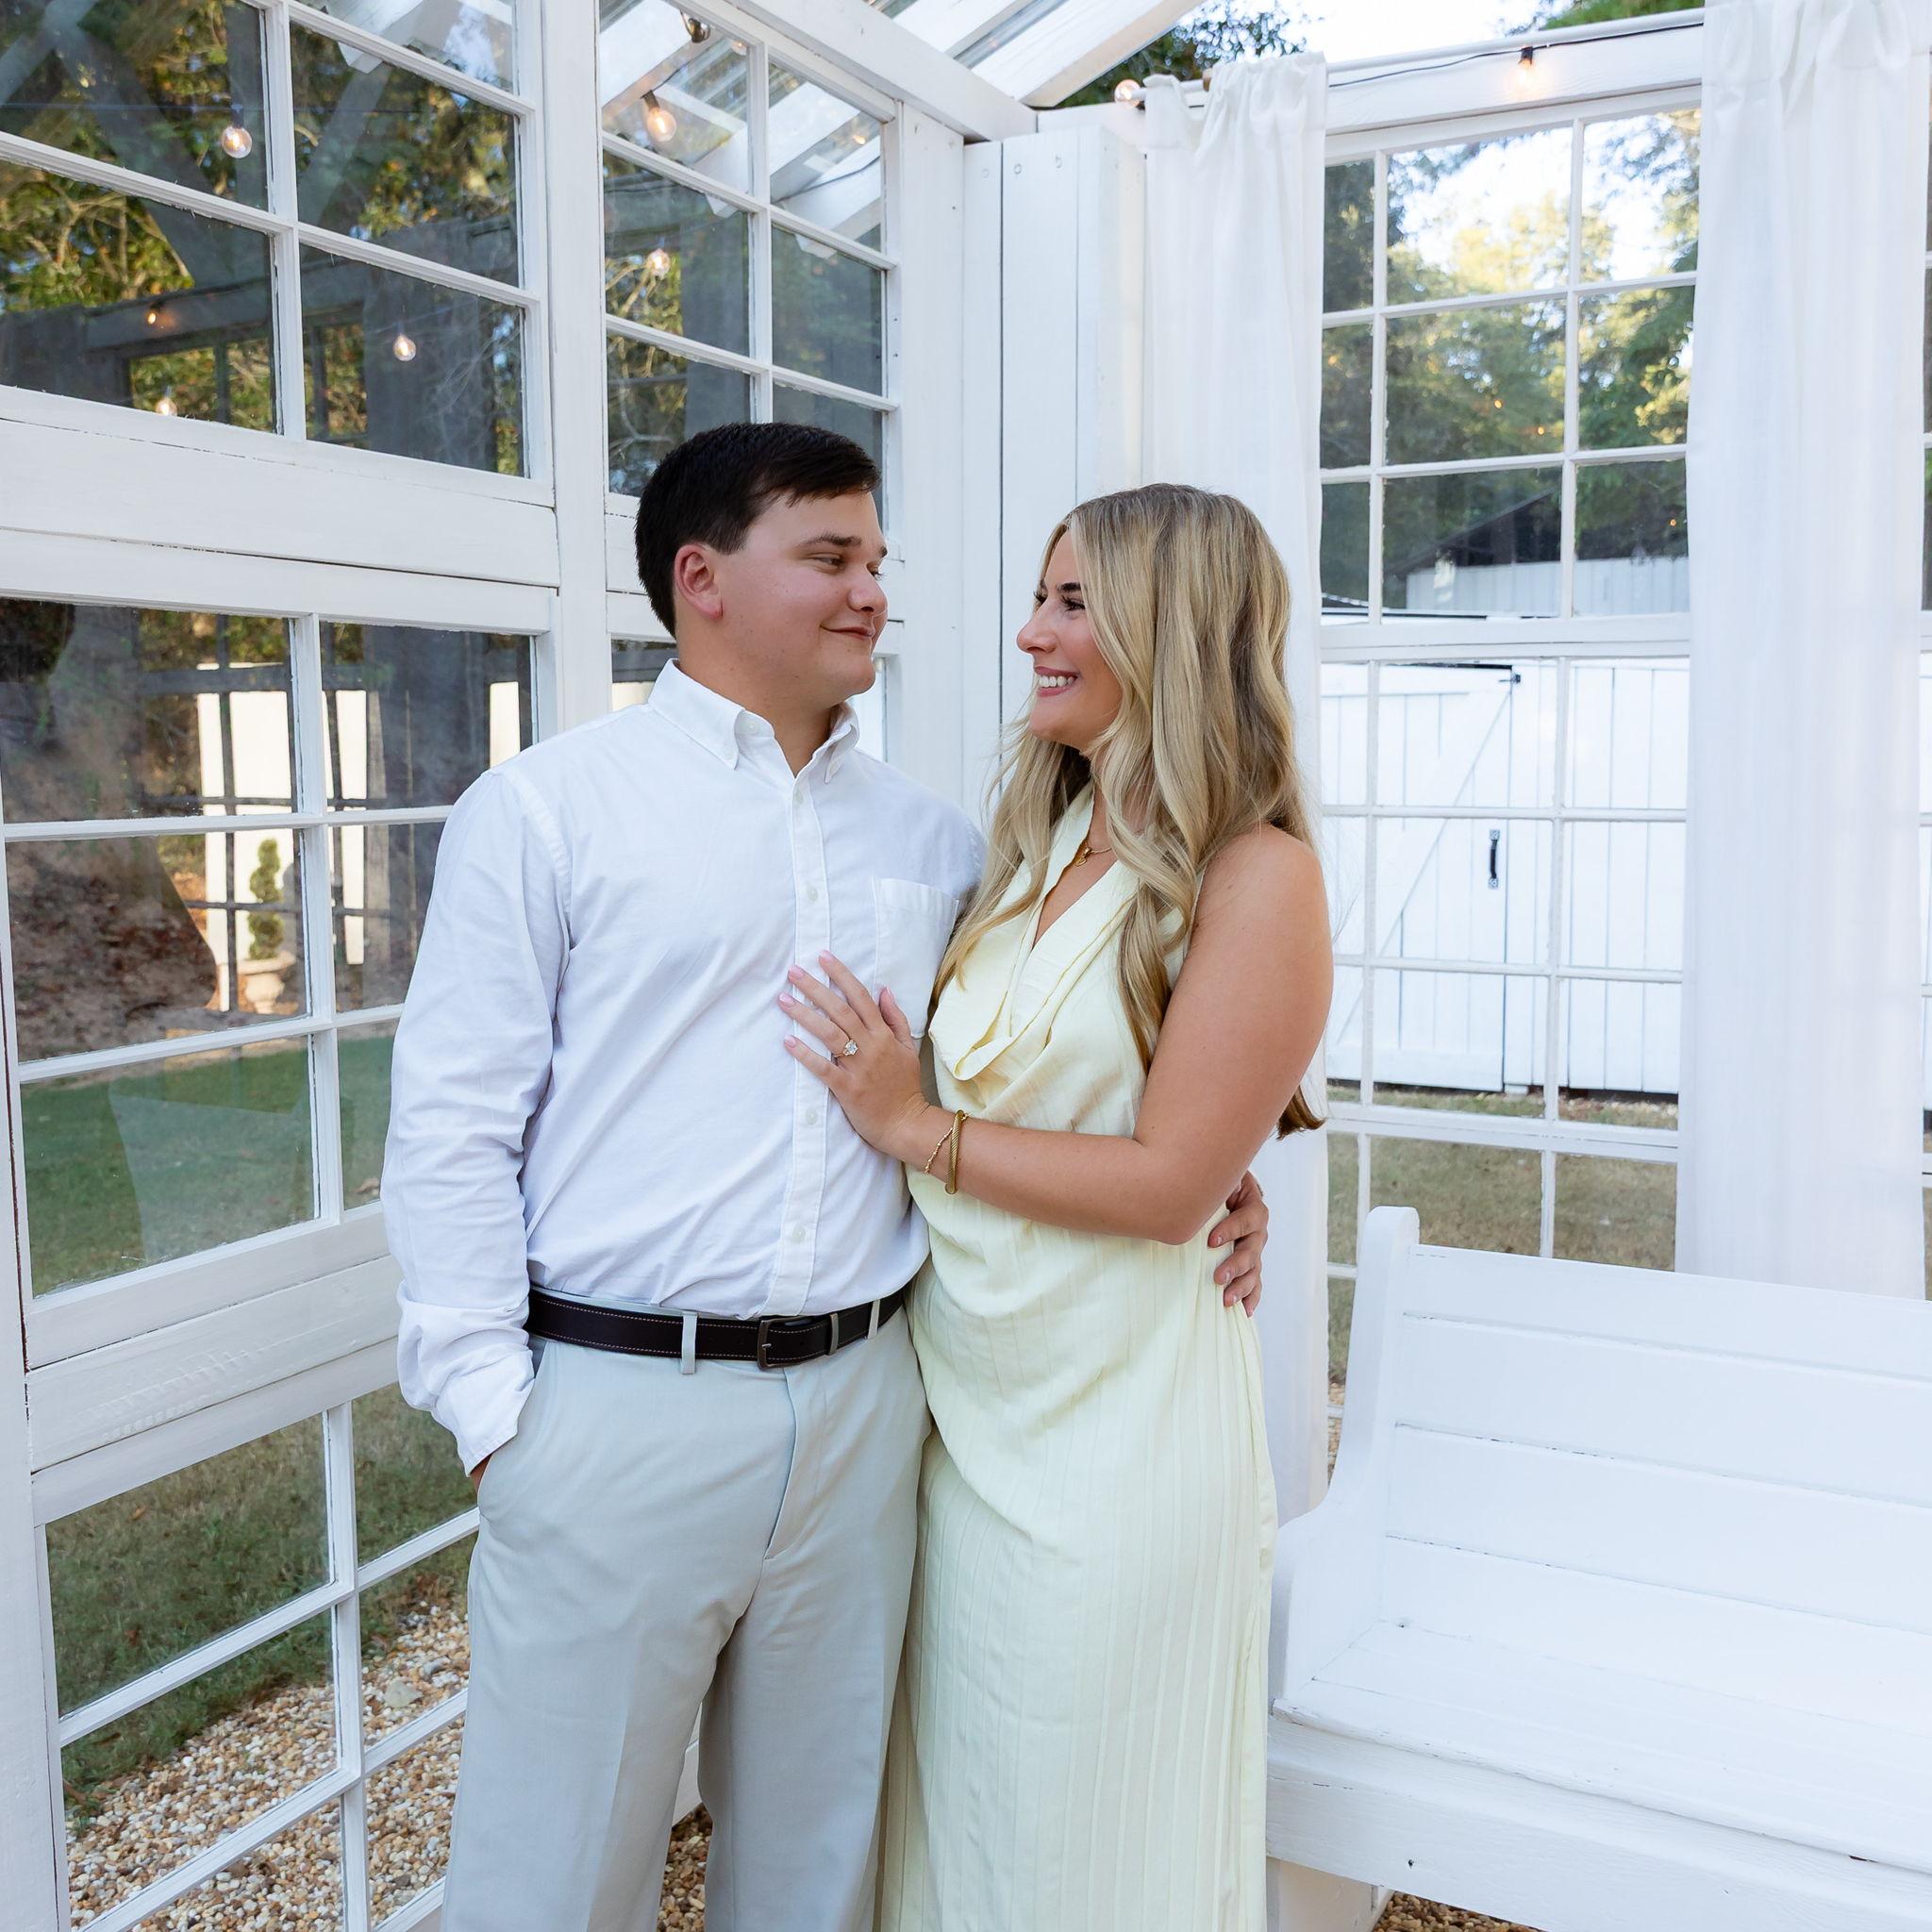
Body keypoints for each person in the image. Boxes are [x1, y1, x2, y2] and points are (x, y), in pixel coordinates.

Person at [382, 425, 1274, 1932]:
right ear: (703, 578)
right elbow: (451, 1128)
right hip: (615, 1411)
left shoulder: (948, 844)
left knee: (819, 1870)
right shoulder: (547, 813)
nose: (874, 592)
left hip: (874, 1412)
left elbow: (1047, 1058)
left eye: (877, 560)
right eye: (832, 557)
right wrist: (495, 1420)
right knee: (551, 1877)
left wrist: (1220, 1169)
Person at [778, 482, 1332, 1932]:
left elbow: (1164, 1185)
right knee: (968, 1827)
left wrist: (918, 1126)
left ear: (1173, 625)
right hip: (969, 1428)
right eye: (1041, 597)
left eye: (1075, 602)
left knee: (1082, 1843)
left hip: (1120, 1448)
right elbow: (1108, 1110)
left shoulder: (1257, 876)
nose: (1032, 633)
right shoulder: (1036, 842)